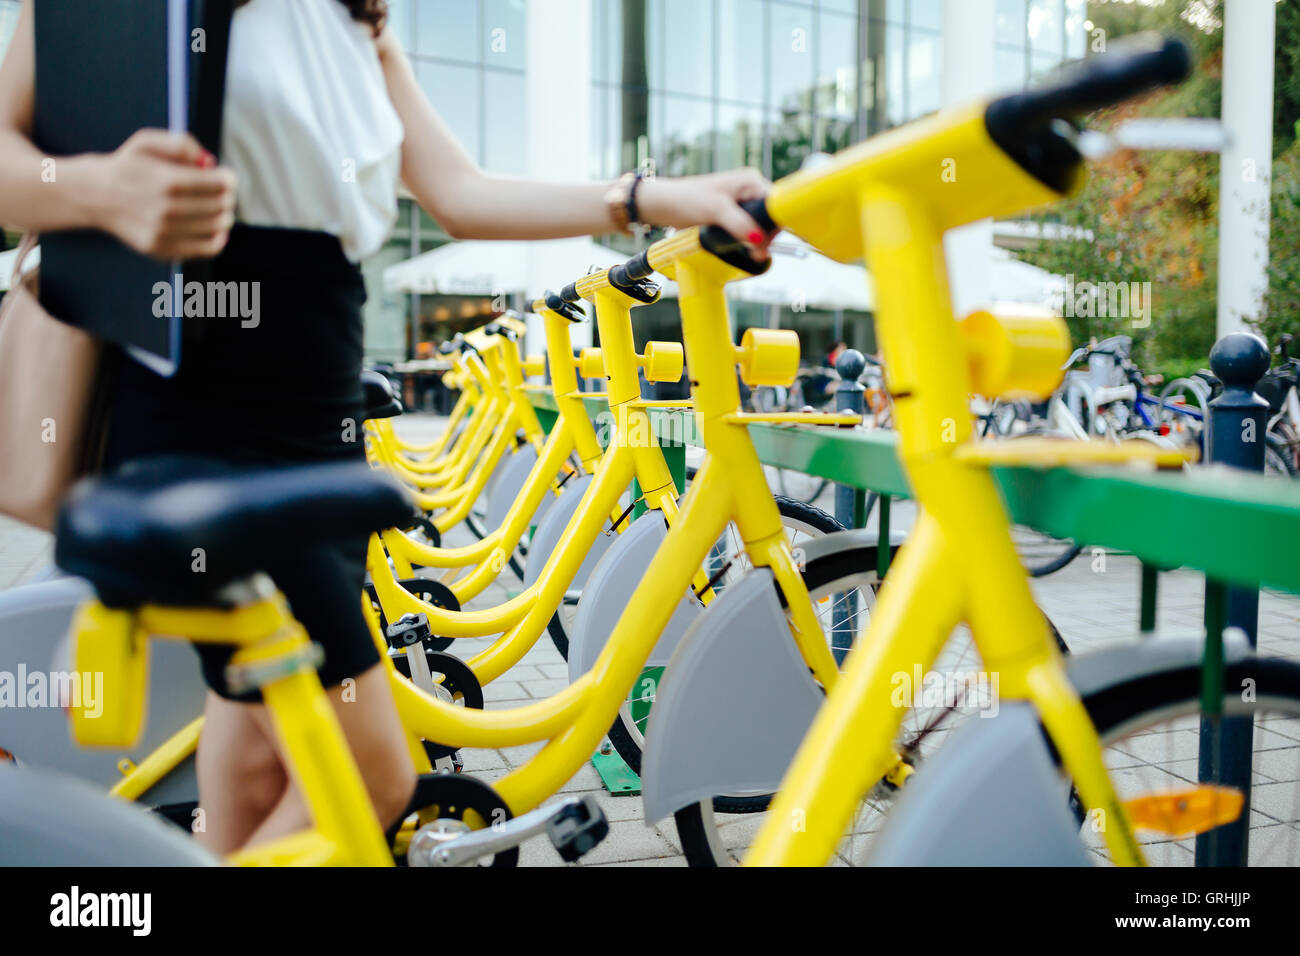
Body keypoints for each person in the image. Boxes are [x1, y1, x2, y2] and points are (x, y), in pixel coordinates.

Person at [0, 0, 771, 854]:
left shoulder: (352, 19)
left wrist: (656, 196)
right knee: (373, 776)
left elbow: (460, 193)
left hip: (319, 408)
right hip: (209, 403)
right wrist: (96, 188)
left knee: (261, 761)